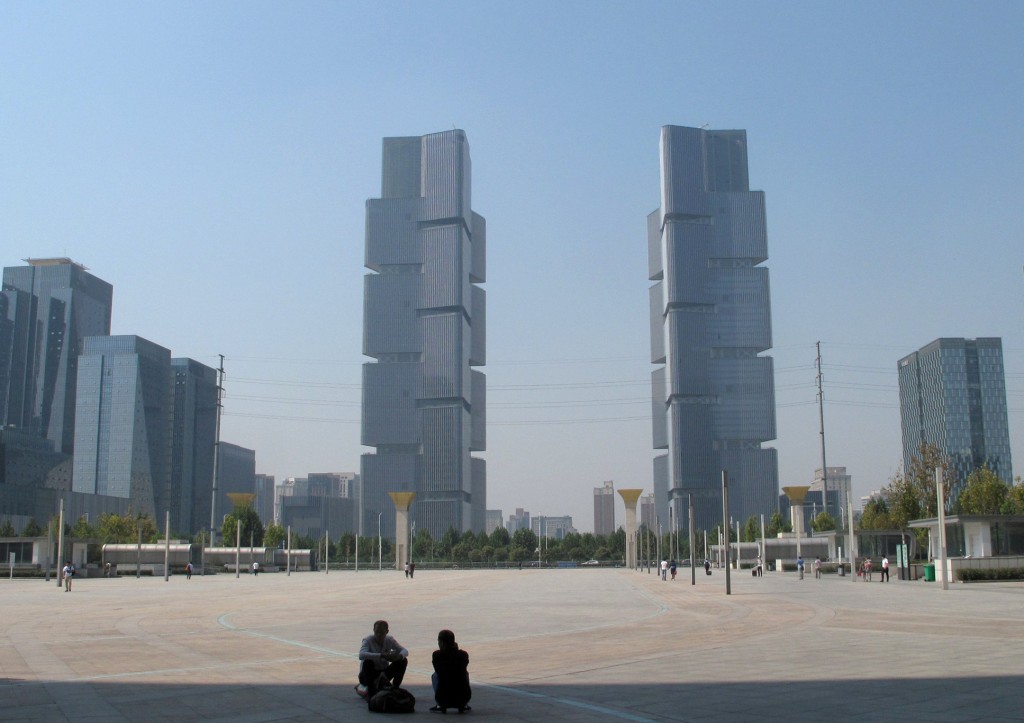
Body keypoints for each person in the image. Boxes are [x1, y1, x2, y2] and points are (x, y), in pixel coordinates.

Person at [356, 620, 409, 699]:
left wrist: (398, 657)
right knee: (367, 662)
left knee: (403, 660)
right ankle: (371, 691)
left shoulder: (389, 640)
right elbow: (361, 655)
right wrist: (381, 655)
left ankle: (395, 687)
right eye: (377, 632)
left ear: (387, 631)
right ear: (373, 630)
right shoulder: (368, 640)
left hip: (382, 674)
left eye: (382, 632)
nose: (379, 635)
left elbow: (405, 651)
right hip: (368, 675)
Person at [430, 629, 471, 714]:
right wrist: (455, 650)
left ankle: (440, 705)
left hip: (443, 699)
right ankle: (463, 705)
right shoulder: (463, 655)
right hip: (463, 698)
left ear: (441, 642)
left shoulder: (437, 655)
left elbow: (439, 671)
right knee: (465, 673)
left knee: (435, 675)